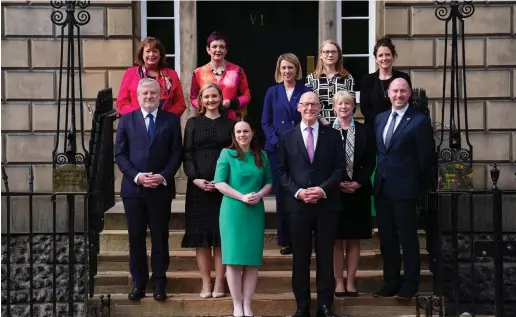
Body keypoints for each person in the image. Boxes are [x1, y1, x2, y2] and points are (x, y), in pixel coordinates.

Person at [277, 91, 345, 317]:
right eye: (305, 104)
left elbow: (339, 169)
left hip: (326, 205)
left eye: (314, 104)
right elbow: (281, 171)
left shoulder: (333, 136)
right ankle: (302, 305)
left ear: (320, 108)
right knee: (301, 258)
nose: (309, 108)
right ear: (298, 107)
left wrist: (322, 190)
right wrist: (298, 192)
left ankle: (326, 305)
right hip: (298, 207)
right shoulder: (287, 136)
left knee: (326, 257)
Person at [114, 78, 183, 301]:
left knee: (160, 237)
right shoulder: (126, 120)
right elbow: (120, 154)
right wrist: (138, 177)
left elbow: (176, 153)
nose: (149, 97)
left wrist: (162, 176)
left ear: (160, 95)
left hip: (160, 189)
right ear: (137, 95)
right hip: (133, 191)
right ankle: (139, 283)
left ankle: (160, 283)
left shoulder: (171, 121)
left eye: (153, 93)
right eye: (144, 93)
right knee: (136, 238)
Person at [372, 77, 434, 299]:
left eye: (402, 91)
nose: (398, 95)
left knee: (407, 239)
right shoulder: (380, 119)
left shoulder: (419, 121)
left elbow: (425, 158)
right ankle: (390, 282)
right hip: (382, 189)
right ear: (388, 94)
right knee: (387, 239)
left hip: (405, 190)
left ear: (409, 94)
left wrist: (413, 184)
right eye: (394, 91)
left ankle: (410, 284)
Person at [214, 119, 273, 317]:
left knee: (252, 260)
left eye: (245, 131)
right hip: (233, 211)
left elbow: (269, 182)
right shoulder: (227, 154)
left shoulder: (261, 155)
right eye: (238, 131)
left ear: (252, 132)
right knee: (234, 260)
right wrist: (241, 196)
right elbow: (219, 183)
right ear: (234, 134)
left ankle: (248, 304)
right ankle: (237, 304)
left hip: (255, 211)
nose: (242, 135)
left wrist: (259, 194)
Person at [181, 83, 233, 298]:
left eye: (214, 96)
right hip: (198, 189)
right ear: (200, 101)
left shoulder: (231, 124)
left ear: (221, 98)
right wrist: (195, 179)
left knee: (221, 238)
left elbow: (235, 154)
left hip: (224, 188)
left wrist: (223, 181)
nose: (211, 100)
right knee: (201, 239)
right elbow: (187, 153)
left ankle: (220, 283)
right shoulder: (192, 123)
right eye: (206, 96)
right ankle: (206, 283)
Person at [261, 53, 311, 255]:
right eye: (284, 68)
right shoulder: (272, 92)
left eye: (291, 67)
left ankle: (303, 238)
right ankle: (285, 239)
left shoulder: (305, 91)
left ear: (297, 69)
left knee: (301, 191)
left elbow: (309, 118)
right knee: (282, 195)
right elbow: (266, 121)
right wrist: (276, 141)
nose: (287, 71)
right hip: (277, 150)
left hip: (301, 148)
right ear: (278, 70)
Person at [330, 91, 376, 297]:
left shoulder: (365, 130)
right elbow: (323, 161)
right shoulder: (326, 131)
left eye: (348, 104)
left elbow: (370, 160)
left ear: (353, 107)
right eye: (340, 104)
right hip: (334, 193)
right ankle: (338, 282)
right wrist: (336, 182)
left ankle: (351, 282)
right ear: (334, 107)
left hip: (358, 191)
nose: (344, 107)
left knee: (354, 239)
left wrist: (358, 182)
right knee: (337, 239)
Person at [116, 37, 186, 117]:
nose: (151, 54)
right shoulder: (130, 73)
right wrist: (137, 116)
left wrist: (167, 118)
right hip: (136, 123)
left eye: (155, 51)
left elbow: (180, 104)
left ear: (160, 55)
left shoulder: (172, 75)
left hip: (164, 125)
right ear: (142, 54)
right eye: (148, 51)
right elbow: (122, 103)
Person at [190, 31, 251, 120]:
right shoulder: (198, 72)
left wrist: (231, 103)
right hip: (207, 119)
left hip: (230, 119)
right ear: (208, 50)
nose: (218, 50)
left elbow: (246, 95)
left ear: (226, 50)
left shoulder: (238, 71)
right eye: (214, 47)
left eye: (222, 47)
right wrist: (206, 105)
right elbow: (193, 98)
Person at [360, 37, 412, 125]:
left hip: (398, 126)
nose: (384, 58)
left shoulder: (403, 77)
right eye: (380, 55)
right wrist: (382, 122)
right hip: (374, 128)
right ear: (376, 59)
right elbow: (365, 109)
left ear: (393, 56)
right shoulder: (367, 80)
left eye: (387, 54)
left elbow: (409, 102)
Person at [305, 39, 354, 125]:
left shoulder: (347, 78)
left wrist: (340, 121)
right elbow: (309, 105)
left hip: (342, 124)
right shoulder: (311, 78)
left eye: (333, 52)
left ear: (338, 55)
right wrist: (322, 121)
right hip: (319, 125)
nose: (330, 55)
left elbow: (351, 104)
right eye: (326, 52)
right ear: (320, 55)